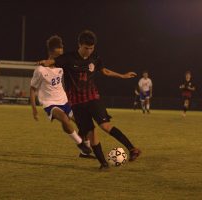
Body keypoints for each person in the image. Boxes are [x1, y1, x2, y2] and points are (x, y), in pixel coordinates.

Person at [39, 30, 141, 170]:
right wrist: (45, 62)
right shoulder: (68, 58)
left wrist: (122, 75)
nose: (89, 51)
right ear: (79, 45)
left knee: (105, 126)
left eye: (91, 48)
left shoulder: (95, 57)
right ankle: (103, 164)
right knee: (91, 132)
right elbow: (54, 61)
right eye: (86, 48)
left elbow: (104, 71)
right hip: (76, 103)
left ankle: (132, 149)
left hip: (92, 98)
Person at [30, 35, 92, 157]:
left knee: (83, 122)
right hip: (50, 103)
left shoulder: (62, 65)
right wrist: (34, 109)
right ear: (52, 51)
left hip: (64, 101)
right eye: (60, 48)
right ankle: (80, 144)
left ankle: (85, 151)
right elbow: (32, 89)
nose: (62, 50)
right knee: (64, 119)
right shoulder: (40, 70)